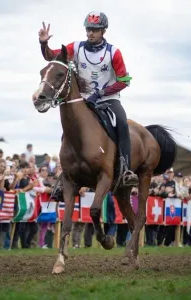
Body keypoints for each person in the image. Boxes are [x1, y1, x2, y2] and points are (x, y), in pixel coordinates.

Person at [38, 11, 138, 186]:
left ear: (103, 31)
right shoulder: (76, 47)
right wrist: (43, 42)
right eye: (88, 29)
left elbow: (124, 81)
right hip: (83, 99)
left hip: (108, 98)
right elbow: (52, 57)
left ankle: (126, 169)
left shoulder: (113, 52)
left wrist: (100, 93)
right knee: (69, 128)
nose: (90, 32)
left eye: (95, 29)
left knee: (122, 123)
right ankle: (65, 175)